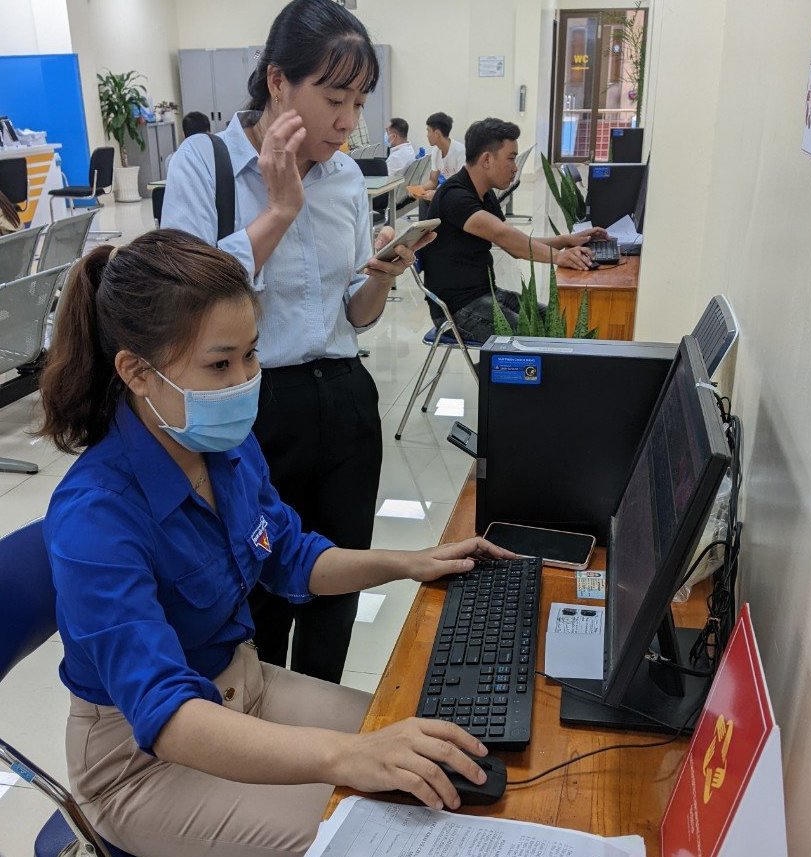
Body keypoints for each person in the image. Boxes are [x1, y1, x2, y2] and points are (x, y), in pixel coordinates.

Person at [38, 229, 509, 857]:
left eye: (251, 355)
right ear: (137, 372)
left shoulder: (223, 449)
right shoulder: (96, 516)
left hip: (247, 688)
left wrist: (410, 562)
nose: (244, 381)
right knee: (385, 834)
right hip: (145, 762)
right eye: (220, 364)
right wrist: (347, 755)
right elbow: (167, 715)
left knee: (440, 762)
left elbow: (290, 555)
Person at [162, 0, 433, 682]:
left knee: (338, 587)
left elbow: (352, 314)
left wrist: (380, 278)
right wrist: (281, 209)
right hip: (250, 408)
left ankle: (322, 717)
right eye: (334, 99)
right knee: (258, 591)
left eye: (359, 103)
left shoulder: (344, 178)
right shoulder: (206, 164)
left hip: (344, 399)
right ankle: (260, 723)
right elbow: (187, 301)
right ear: (278, 82)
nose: (348, 121)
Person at [422, 117, 608, 342]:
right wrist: (559, 257)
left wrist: (566, 240)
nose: (515, 167)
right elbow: (503, 235)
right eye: (511, 158)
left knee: (559, 320)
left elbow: (514, 244)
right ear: (487, 159)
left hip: (487, 294)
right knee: (535, 336)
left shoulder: (484, 193)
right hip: (456, 310)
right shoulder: (455, 196)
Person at [420, 111, 466, 201]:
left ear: (437, 134)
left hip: (462, 194)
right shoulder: (435, 151)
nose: (427, 135)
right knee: (424, 199)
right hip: (450, 191)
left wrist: (437, 194)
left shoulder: (460, 152)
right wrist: (418, 189)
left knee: (434, 200)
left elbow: (462, 187)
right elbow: (433, 182)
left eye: (428, 131)